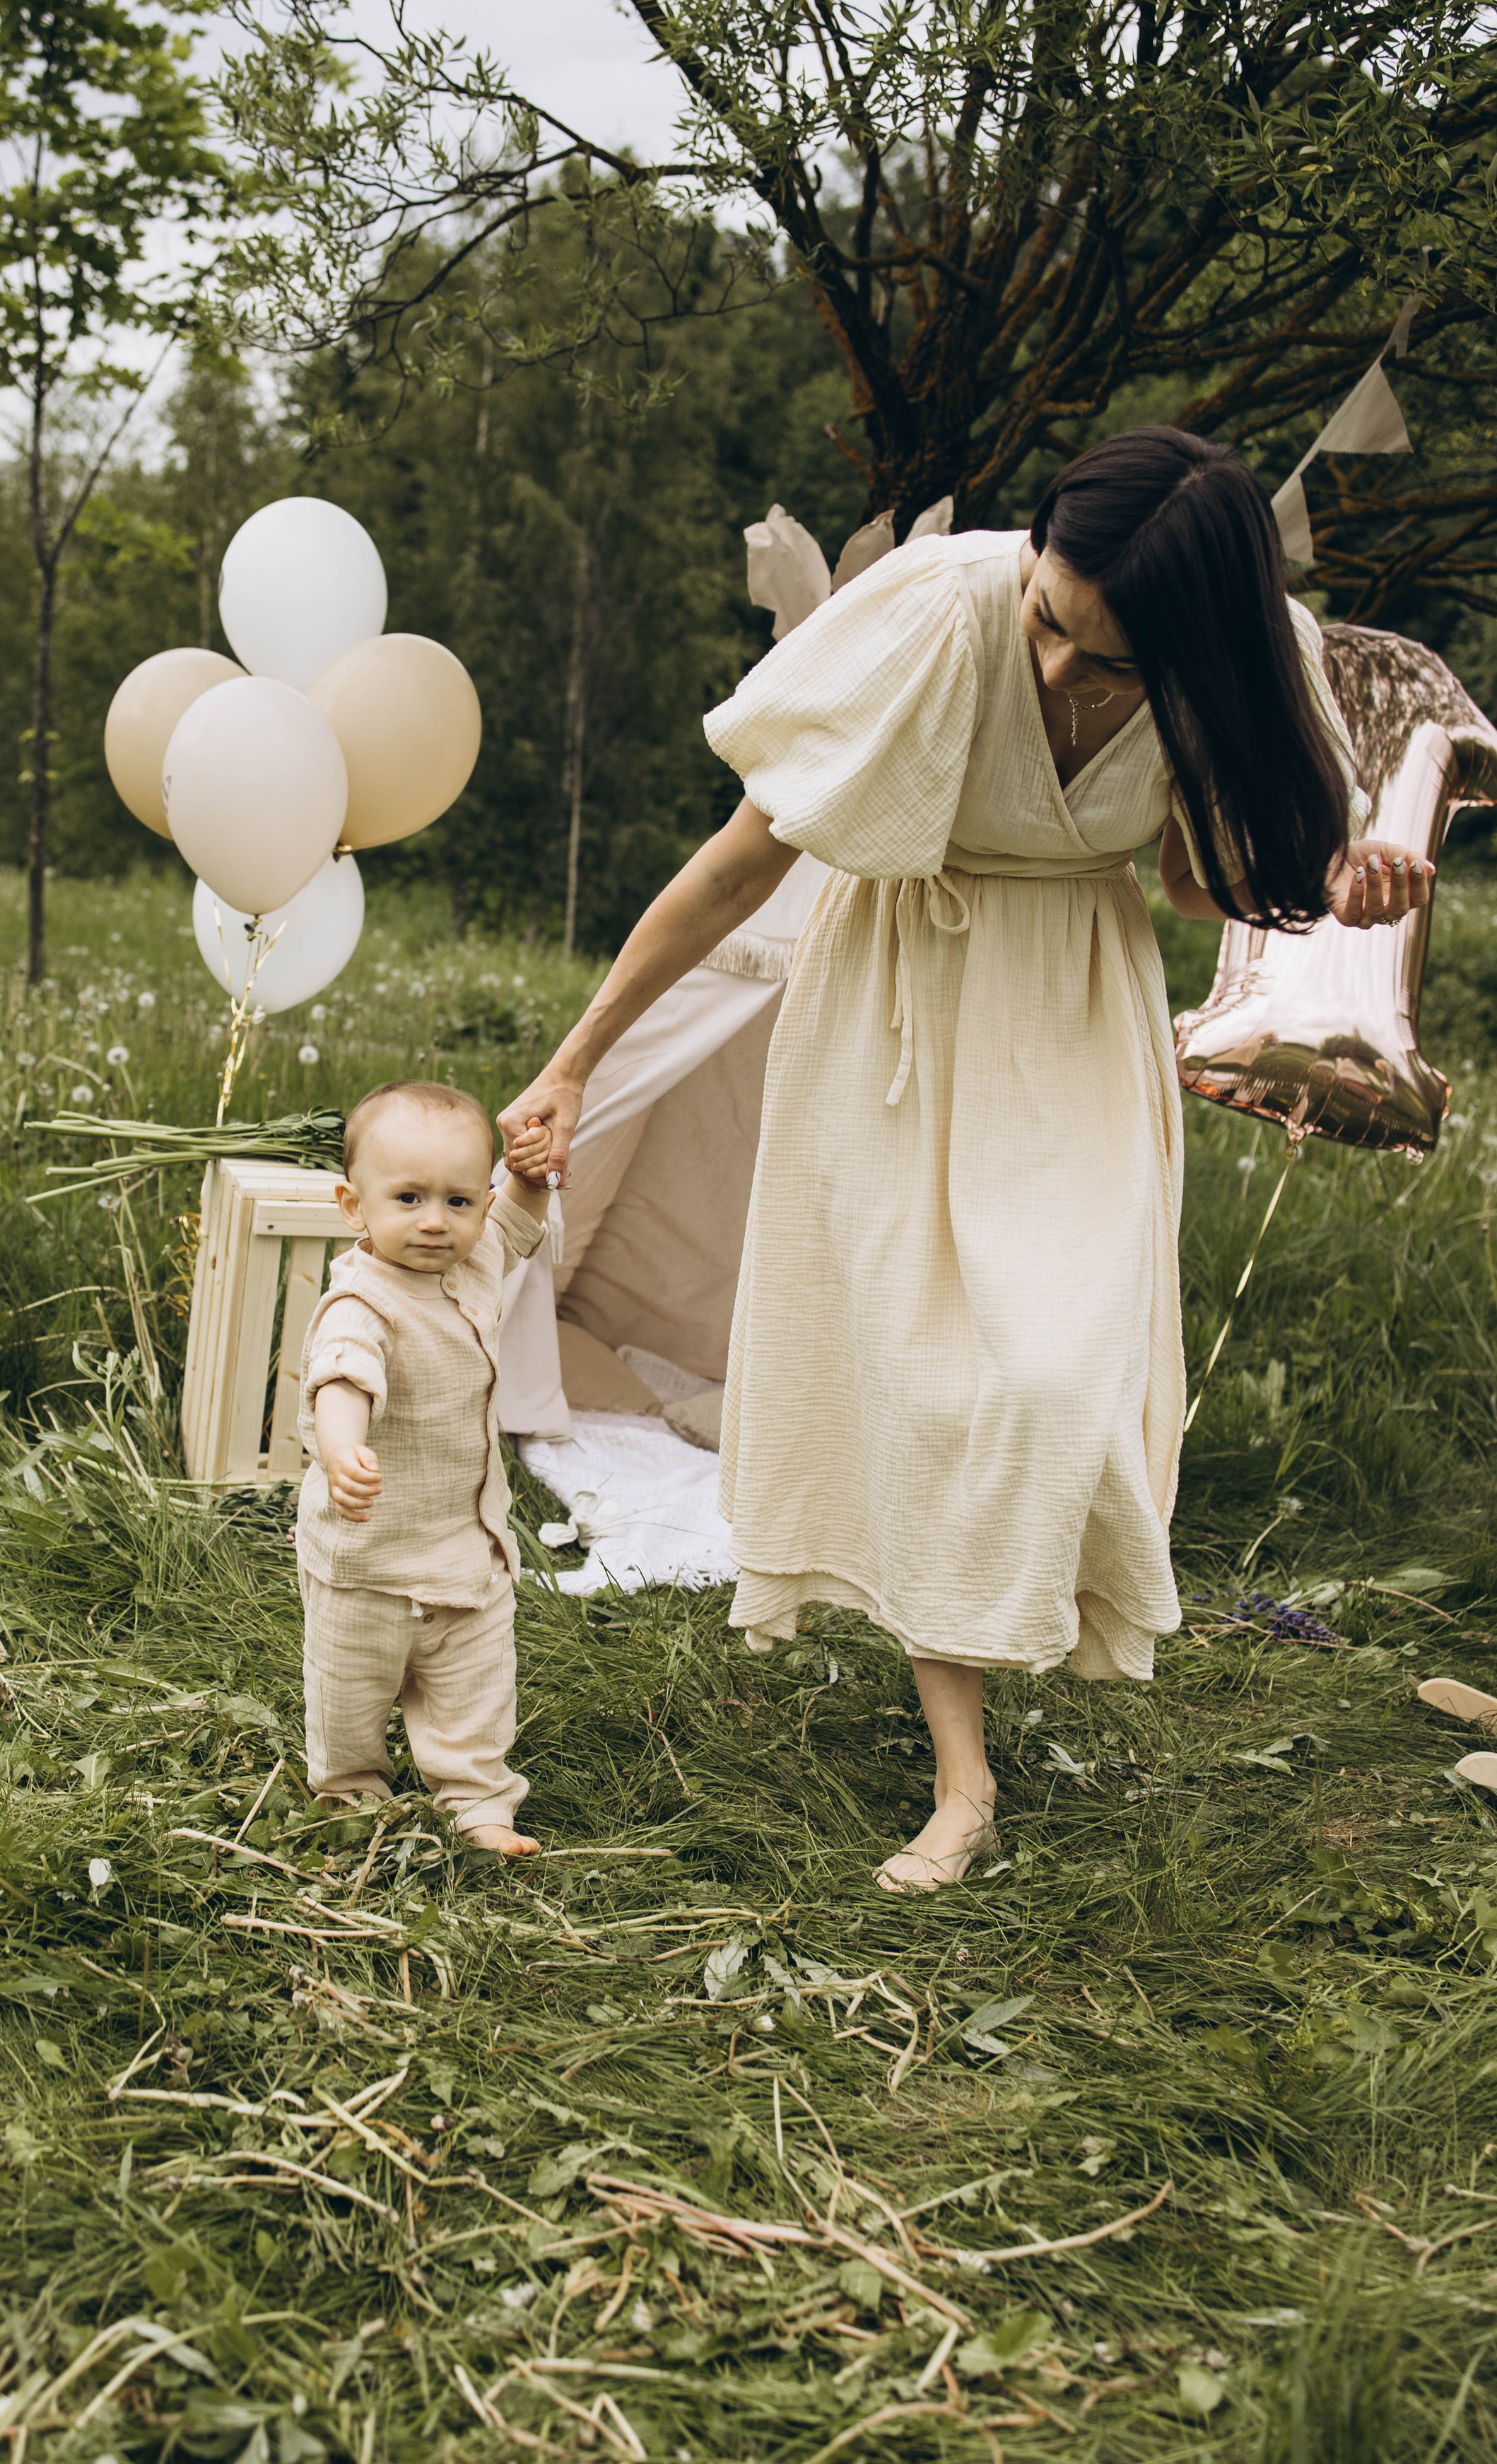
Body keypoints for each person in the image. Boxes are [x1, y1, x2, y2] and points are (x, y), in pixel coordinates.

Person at [498, 428, 1430, 1892]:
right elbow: (742, 858)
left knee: (1047, 1378)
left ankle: (1002, 1639)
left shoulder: (1252, 663)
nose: (1057, 669)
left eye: (1108, 664)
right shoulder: (936, 610)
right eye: (1048, 620)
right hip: (894, 1004)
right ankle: (961, 1779)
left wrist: (1326, 875)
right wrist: (574, 1062)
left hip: (1071, 1012)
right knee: (930, 1376)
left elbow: (1194, 881)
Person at [295, 1079, 556, 1855]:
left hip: (463, 1550)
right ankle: (351, 1793)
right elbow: (341, 1378)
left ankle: (478, 1802)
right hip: (367, 1561)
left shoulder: (473, 1261)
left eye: (458, 1201)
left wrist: (530, 1176)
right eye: (408, 1199)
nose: (436, 1221)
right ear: (355, 1207)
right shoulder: (361, 1302)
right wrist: (342, 1449)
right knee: (349, 1693)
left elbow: (517, 1223)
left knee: (477, 1689)